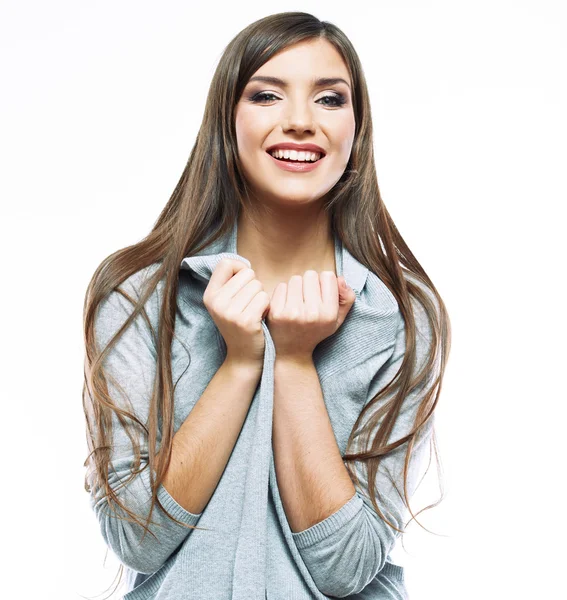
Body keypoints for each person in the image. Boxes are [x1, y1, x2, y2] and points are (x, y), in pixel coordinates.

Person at [82, 11, 451, 599]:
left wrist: (297, 361)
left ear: (358, 128)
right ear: (227, 121)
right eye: (266, 95)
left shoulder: (403, 318)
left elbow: (347, 568)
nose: (301, 121)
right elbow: (136, 538)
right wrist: (240, 362)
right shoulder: (137, 295)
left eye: (330, 99)